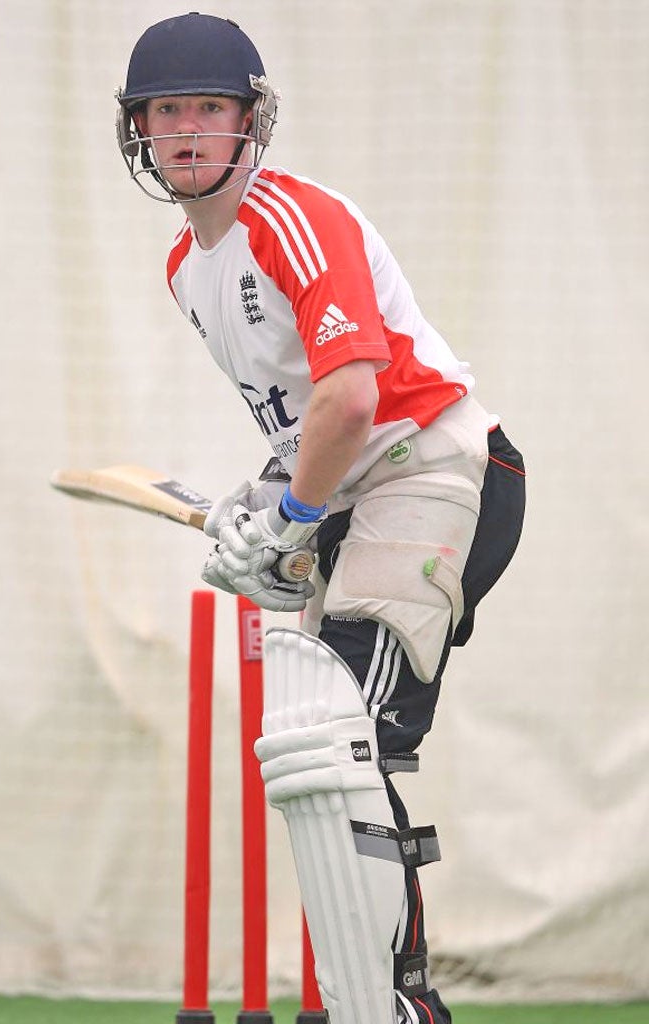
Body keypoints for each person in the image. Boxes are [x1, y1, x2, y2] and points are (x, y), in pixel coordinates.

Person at [117, 13, 525, 1024]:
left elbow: (352, 396)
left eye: (211, 108)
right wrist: (267, 510)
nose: (188, 131)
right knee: (315, 749)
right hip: (362, 492)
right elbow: (303, 423)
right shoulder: (187, 269)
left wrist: (293, 521)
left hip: (440, 468)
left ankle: (395, 1008)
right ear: (139, 131)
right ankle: (375, 1004)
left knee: (341, 738)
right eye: (167, 111)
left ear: (252, 121)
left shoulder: (292, 218)